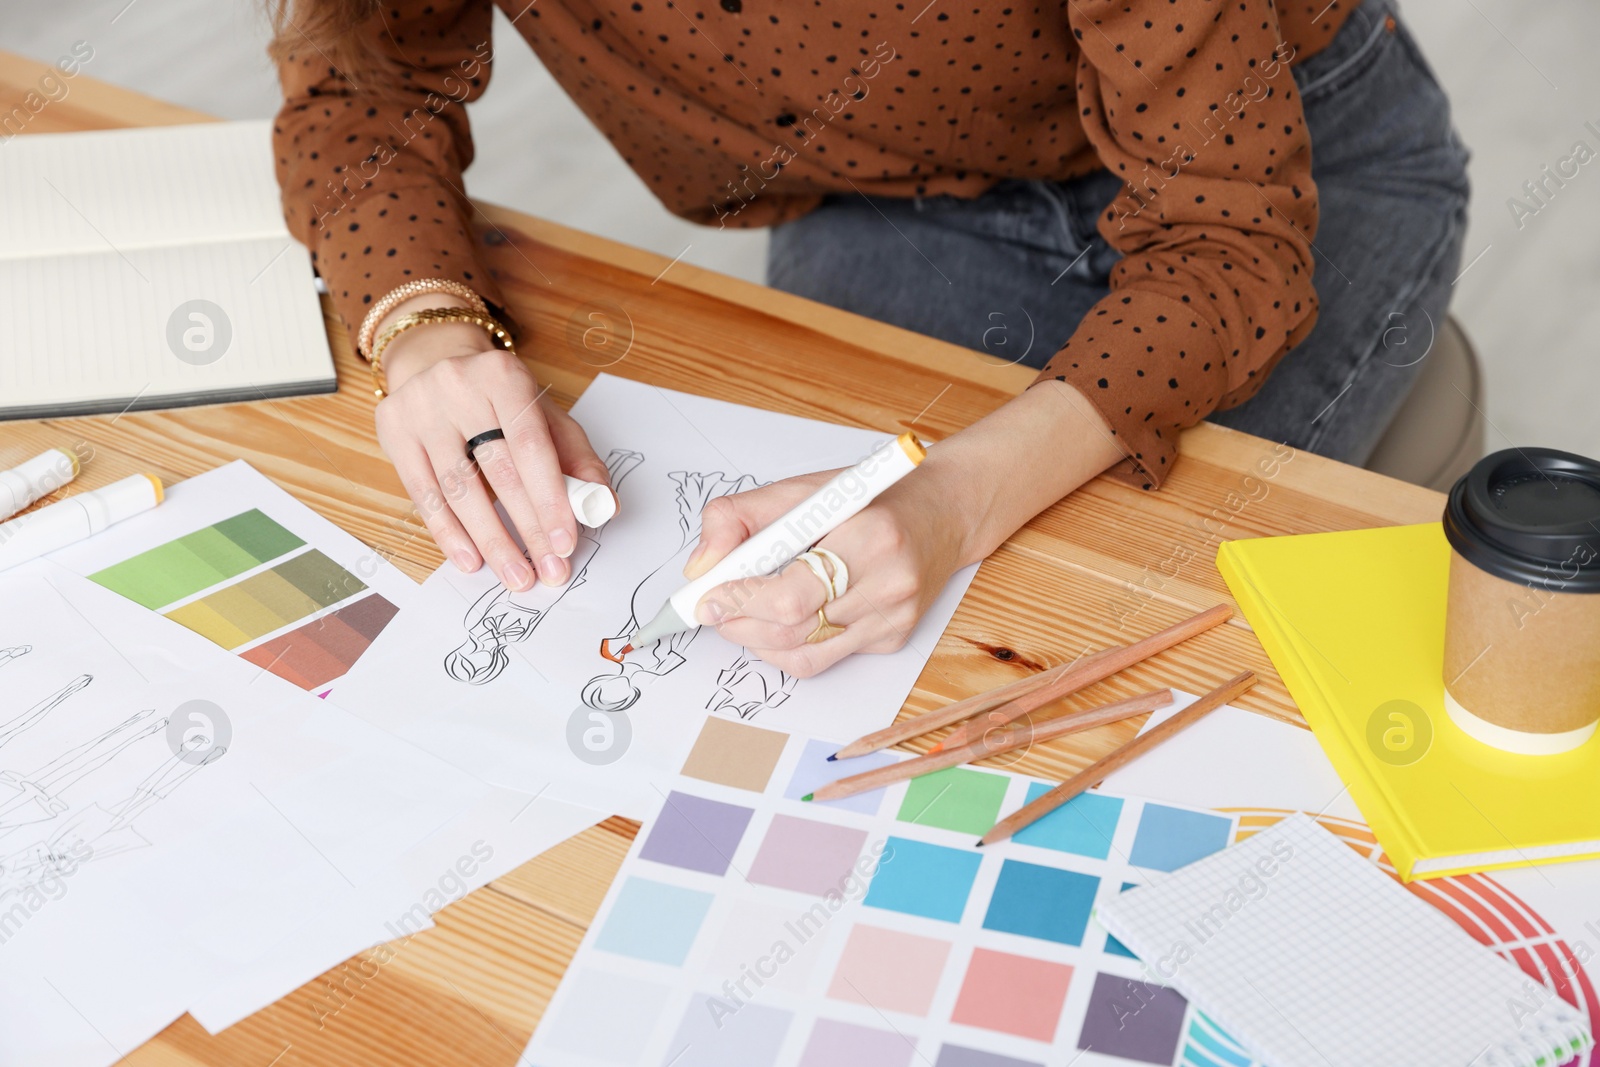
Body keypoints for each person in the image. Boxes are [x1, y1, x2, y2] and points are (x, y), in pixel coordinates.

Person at [269, 0, 1468, 678]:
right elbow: (368, 80)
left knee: (1090, 636)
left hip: (1280, 166)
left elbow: (1229, 241)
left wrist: (950, 502)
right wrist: (426, 327)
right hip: (908, 193)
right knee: (863, 653)